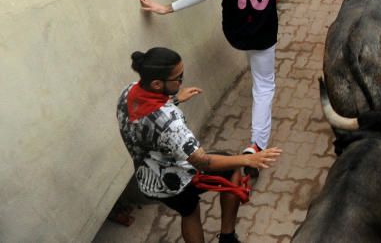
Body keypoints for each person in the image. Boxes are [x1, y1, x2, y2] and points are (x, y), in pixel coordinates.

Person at [139, 0, 361, 154]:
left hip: (234, 34)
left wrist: (167, 7)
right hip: (262, 36)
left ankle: (256, 132)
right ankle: (256, 145)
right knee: (264, 86)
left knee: (252, 58)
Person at [117, 47, 282, 243]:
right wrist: (248, 158)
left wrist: (174, 99)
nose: (181, 81)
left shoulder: (128, 92)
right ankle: (228, 237)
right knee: (231, 169)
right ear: (156, 83)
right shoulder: (171, 125)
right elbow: (203, 162)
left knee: (189, 211)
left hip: (148, 177)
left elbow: (148, 118)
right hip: (175, 181)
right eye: (177, 78)